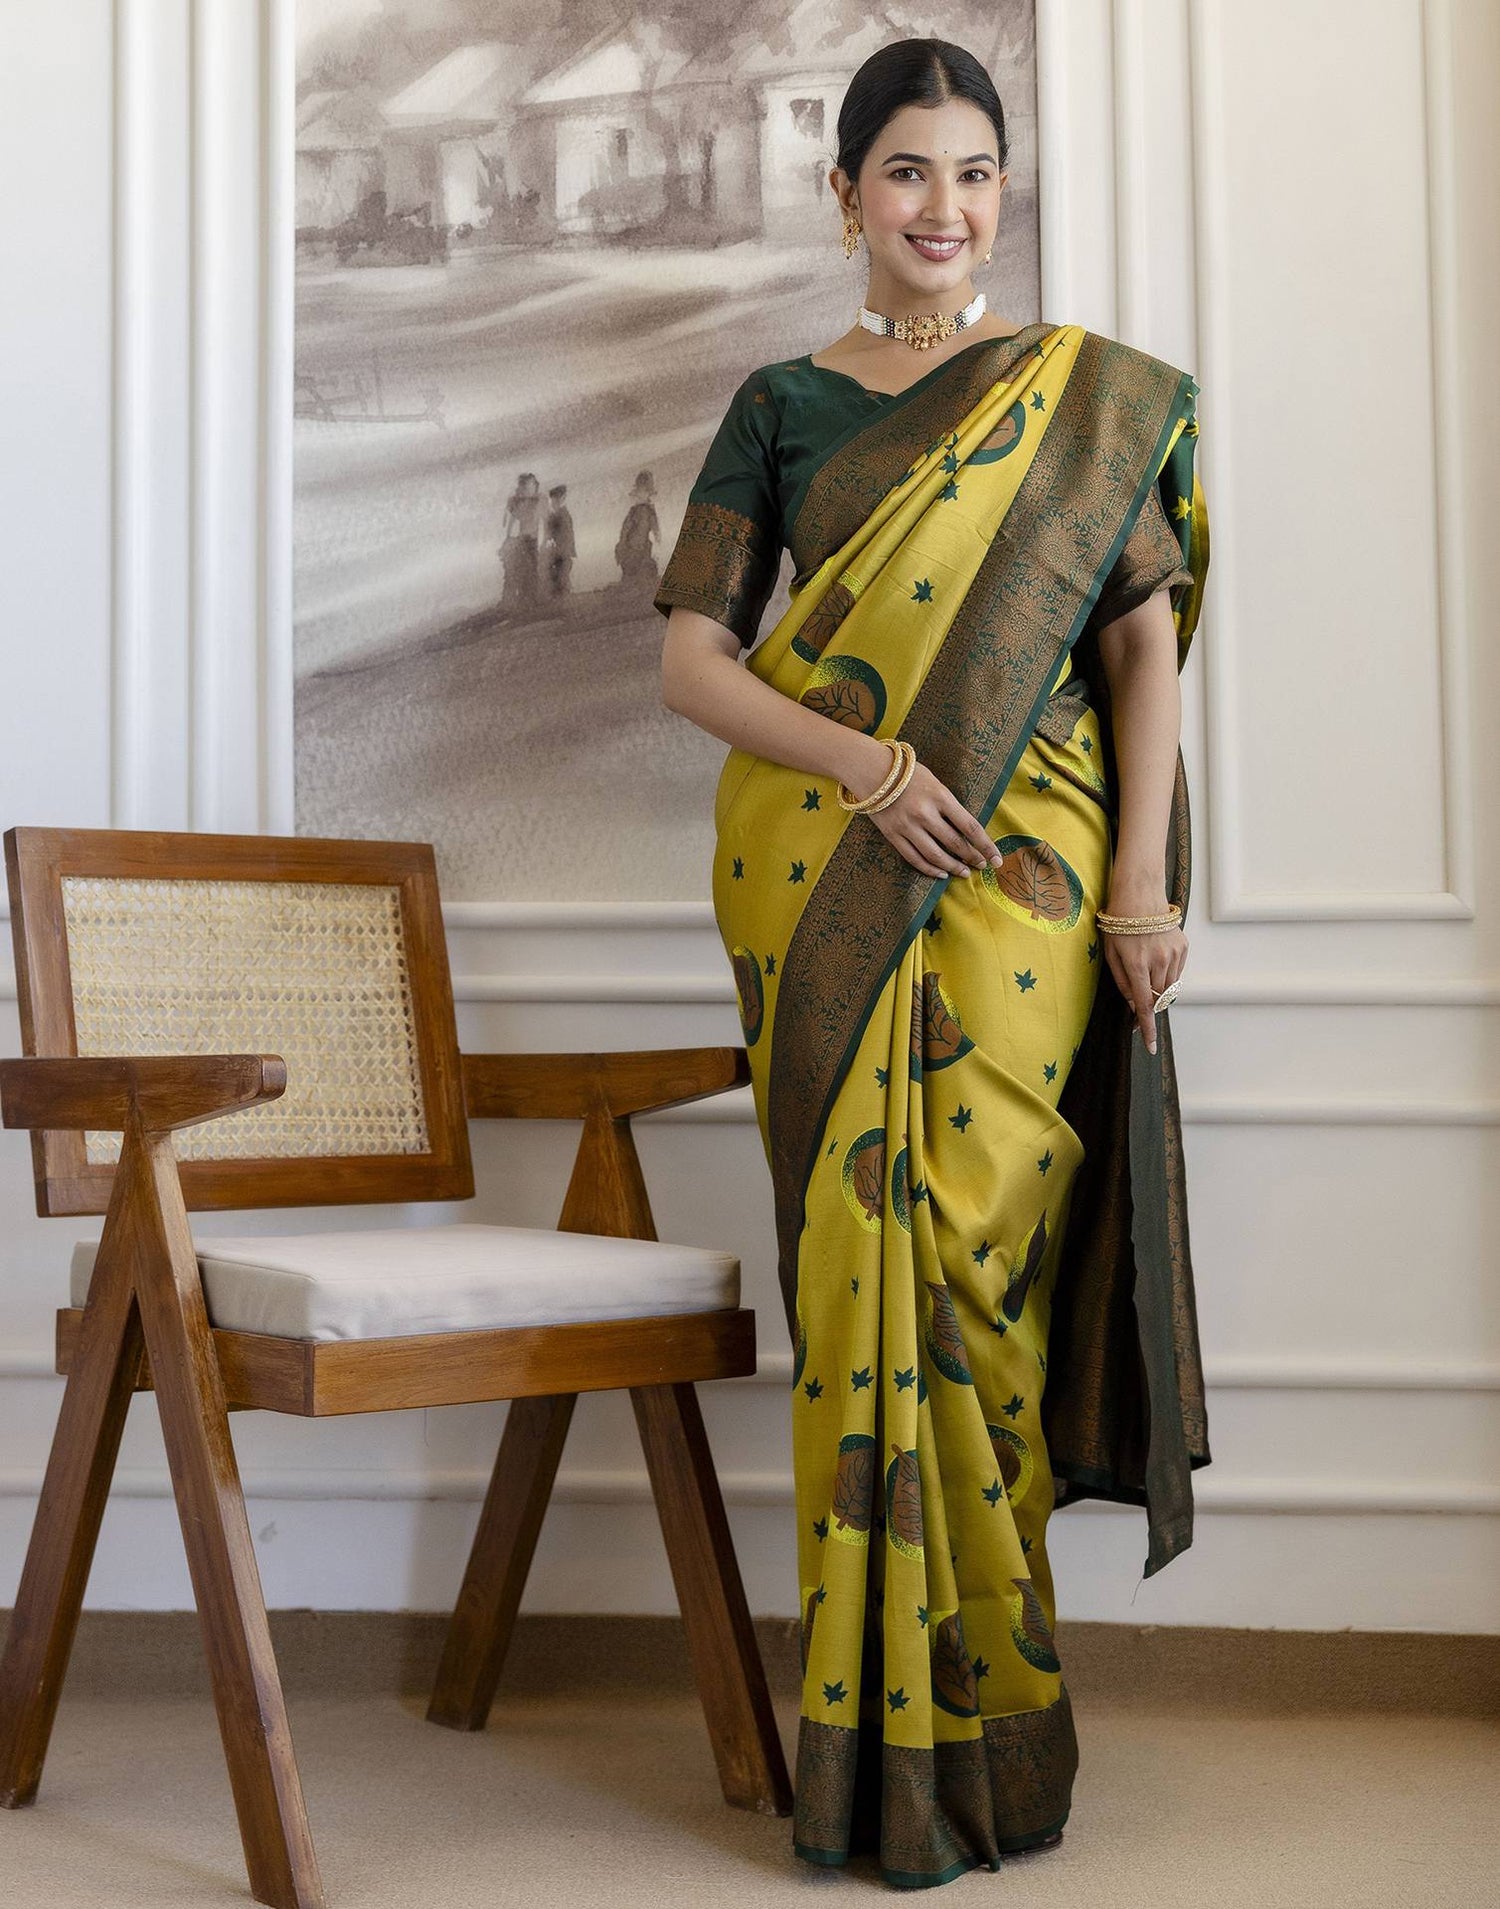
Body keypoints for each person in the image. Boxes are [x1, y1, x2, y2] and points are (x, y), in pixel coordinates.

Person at [655, 36, 1211, 1891]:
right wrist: (870, 768)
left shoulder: (1074, 406)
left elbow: (1139, 649)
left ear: (1002, 190)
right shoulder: (782, 407)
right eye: (907, 170)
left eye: (975, 172)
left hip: (1026, 883)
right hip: (833, 881)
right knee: (856, 1289)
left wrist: (1141, 887)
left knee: (975, 1269)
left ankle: (995, 1731)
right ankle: (874, 1757)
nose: (944, 206)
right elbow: (693, 663)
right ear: (844, 192)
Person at [499, 471, 542, 613]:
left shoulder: (535, 501)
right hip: (523, 540)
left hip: (530, 540)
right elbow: (509, 522)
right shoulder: (520, 503)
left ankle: (529, 601)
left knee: (530, 570)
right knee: (524, 571)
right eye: (527, 486)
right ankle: (524, 601)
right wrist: (509, 537)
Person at [615, 469, 661, 588]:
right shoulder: (635, 511)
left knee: (639, 571)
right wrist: (622, 543)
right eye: (638, 492)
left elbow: (654, 526)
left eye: (644, 492)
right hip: (632, 547)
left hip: (640, 547)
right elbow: (625, 529)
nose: (639, 496)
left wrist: (657, 535)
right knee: (633, 571)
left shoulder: (647, 510)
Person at [544, 483, 576, 598]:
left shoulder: (560, 515)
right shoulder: (562, 514)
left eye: (555, 500)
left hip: (561, 552)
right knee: (561, 578)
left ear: (561, 499)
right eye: (552, 501)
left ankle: (562, 598)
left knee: (561, 578)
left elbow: (554, 535)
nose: (553, 503)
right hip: (562, 551)